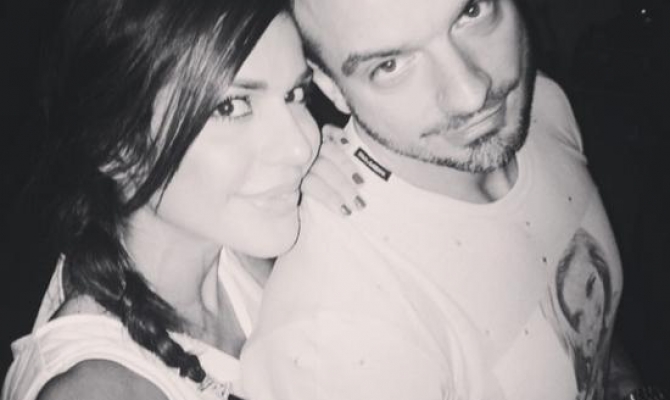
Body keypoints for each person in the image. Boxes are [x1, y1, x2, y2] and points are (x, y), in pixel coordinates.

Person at [240, 0, 634, 399]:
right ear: (330, 88)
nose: (472, 95)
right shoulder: (332, 342)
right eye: (390, 65)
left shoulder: (540, 103)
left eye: (471, 12)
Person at [0, 0, 337, 398]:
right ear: (119, 149)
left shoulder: (235, 252)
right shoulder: (98, 389)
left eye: (296, 94)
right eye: (231, 106)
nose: (301, 146)